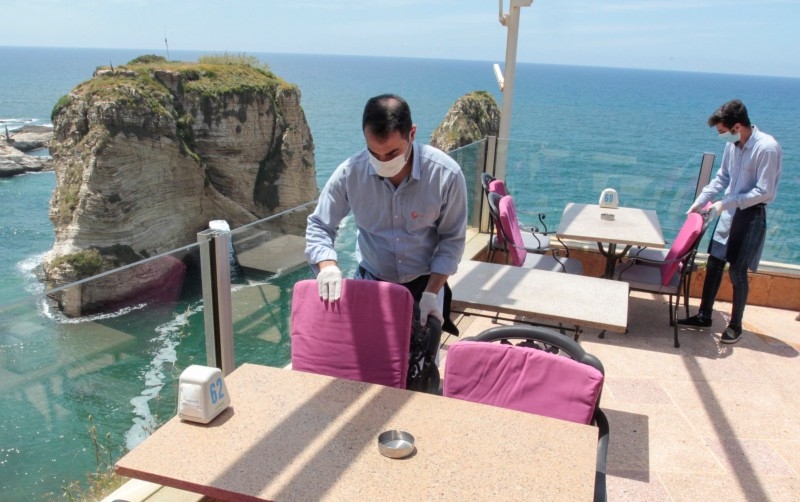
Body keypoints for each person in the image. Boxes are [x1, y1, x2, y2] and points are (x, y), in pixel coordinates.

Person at [305, 93, 468, 334]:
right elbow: (319, 225)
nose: (382, 162)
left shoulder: (446, 175)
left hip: (426, 282)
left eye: (392, 154)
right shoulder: (350, 173)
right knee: (370, 360)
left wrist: (432, 293)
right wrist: (328, 266)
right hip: (371, 280)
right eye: (374, 153)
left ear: (412, 134)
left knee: (421, 364)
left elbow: (451, 240)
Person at [678, 99, 782, 344]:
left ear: (737, 126)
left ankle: (736, 325)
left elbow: (765, 191)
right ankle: (704, 315)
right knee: (714, 264)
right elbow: (722, 177)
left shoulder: (766, 148)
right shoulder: (732, 147)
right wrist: (702, 199)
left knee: (737, 272)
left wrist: (727, 202)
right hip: (727, 212)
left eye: (722, 131)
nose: (721, 136)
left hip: (750, 214)